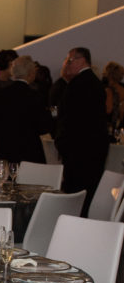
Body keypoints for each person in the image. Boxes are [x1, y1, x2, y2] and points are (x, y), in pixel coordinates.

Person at [54, 46, 109, 212]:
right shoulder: (95, 83)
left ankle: (74, 222)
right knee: (89, 193)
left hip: (78, 151)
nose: (67, 64)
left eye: (70, 60)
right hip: (94, 149)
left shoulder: (76, 84)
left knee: (75, 197)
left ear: (82, 60)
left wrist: (61, 143)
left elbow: (69, 120)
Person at [0, 54, 52, 164]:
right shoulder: (36, 96)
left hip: (2, 151)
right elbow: (43, 128)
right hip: (29, 154)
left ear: (13, 72)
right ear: (31, 74)